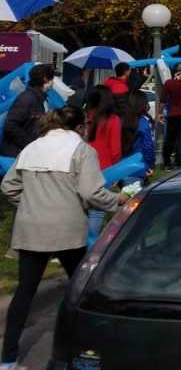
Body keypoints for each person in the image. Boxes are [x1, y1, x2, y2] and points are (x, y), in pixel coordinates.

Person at [0, 107, 126, 370]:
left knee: (24, 292)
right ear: (80, 127)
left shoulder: (32, 148)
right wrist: (118, 202)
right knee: (82, 290)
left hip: (31, 226)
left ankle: (8, 358)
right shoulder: (81, 150)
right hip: (67, 228)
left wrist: (29, 204)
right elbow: (91, 193)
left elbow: (8, 186)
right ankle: (88, 347)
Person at [84, 86, 122, 249]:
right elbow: (115, 149)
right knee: (97, 210)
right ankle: (91, 245)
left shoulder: (86, 117)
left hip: (82, 167)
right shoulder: (113, 119)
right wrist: (117, 172)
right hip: (105, 169)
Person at [1, 65, 53, 157]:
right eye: (52, 78)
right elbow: (10, 126)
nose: (53, 82)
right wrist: (30, 144)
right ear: (45, 79)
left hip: (27, 152)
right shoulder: (27, 99)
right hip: (18, 154)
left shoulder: (39, 98)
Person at [120, 90, 156, 185]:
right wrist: (150, 165)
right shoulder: (144, 122)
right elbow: (148, 146)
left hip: (121, 168)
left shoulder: (120, 120)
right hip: (139, 167)